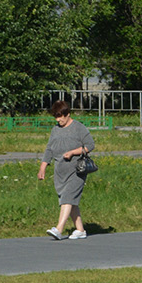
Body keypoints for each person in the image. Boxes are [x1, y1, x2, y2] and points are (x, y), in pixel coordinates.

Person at [37, 99, 95, 240]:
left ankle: (59, 228)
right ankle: (80, 230)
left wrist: (73, 152)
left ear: (67, 114)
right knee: (69, 200)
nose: (58, 120)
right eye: (56, 116)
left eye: (60, 116)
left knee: (68, 198)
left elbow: (90, 145)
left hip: (76, 171)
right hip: (60, 171)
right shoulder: (55, 130)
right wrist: (43, 167)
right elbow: (49, 149)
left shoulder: (78, 128)